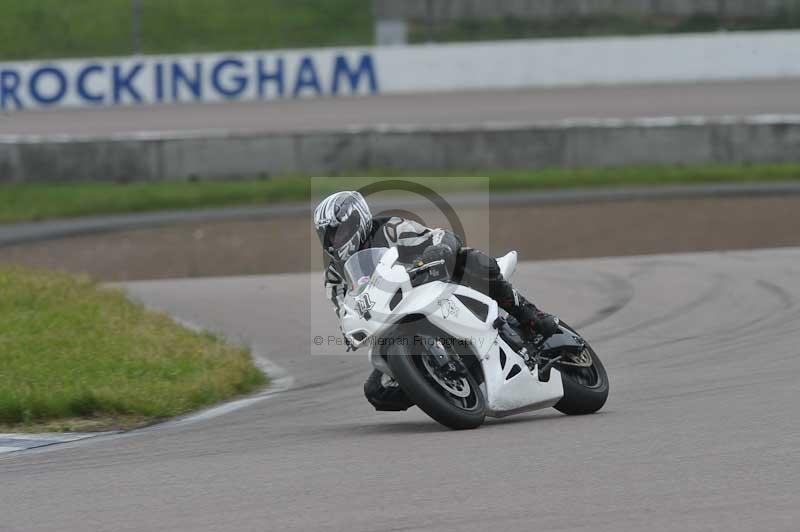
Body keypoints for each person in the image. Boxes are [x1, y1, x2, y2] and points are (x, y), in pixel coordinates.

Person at [314, 190, 560, 411]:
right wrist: (349, 328)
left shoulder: (391, 228)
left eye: (341, 233)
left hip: (432, 283)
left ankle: (530, 316)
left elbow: (440, 237)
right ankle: (437, 384)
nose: (336, 242)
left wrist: (438, 249)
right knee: (377, 391)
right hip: (393, 317)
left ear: (358, 219)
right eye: (330, 237)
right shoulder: (335, 274)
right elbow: (343, 308)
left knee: (471, 260)